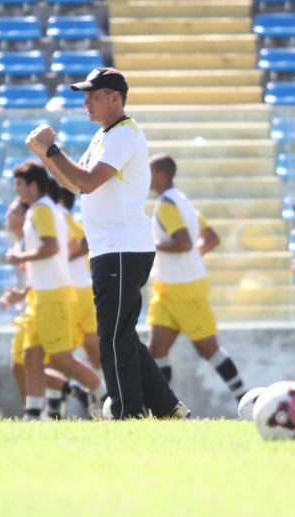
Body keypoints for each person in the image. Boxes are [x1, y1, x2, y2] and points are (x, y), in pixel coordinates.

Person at [26, 67, 187, 419]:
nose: (85, 102)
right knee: (121, 334)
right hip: (113, 248)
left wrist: (52, 148)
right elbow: (72, 183)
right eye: (85, 95)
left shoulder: (123, 134)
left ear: (116, 98)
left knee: (112, 338)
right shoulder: (105, 134)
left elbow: (86, 182)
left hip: (120, 247)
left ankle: (127, 414)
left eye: (93, 95)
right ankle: (168, 407)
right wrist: (45, 153)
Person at [6, 161, 105, 420]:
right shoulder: (45, 211)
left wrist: (20, 257)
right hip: (43, 294)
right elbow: (64, 247)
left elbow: (51, 247)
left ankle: (105, 397)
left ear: (33, 185)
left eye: (19, 183)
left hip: (52, 296)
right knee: (31, 356)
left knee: (61, 359)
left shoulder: (40, 212)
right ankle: (34, 415)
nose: (15, 188)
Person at [146, 154, 246, 404]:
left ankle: (246, 400)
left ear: (161, 174)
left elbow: (183, 242)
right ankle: (163, 407)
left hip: (185, 291)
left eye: (149, 172)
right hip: (169, 288)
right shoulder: (182, 201)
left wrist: (151, 244)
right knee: (156, 350)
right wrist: (191, 258)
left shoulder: (166, 205)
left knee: (208, 349)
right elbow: (210, 238)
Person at [54, 186, 102, 374]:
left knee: (55, 354)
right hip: (84, 290)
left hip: (72, 293)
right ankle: (111, 392)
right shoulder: (65, 218)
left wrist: (62, 260)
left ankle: (57, 401)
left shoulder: (60, 216)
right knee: (93, 347)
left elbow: (86, 241)